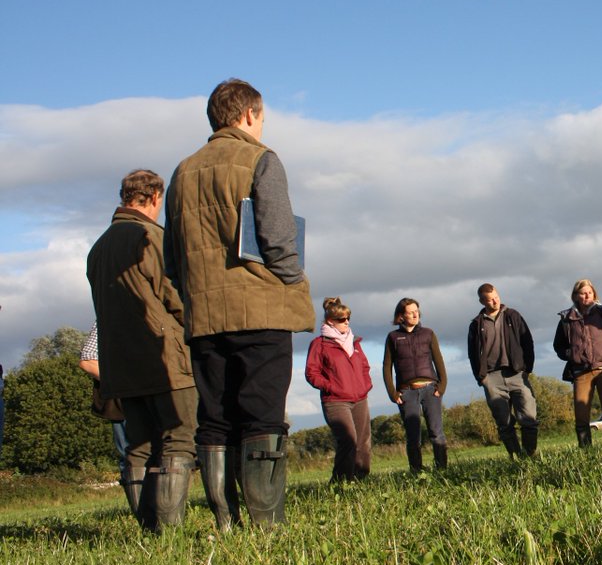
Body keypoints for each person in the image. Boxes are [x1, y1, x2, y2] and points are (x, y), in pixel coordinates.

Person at [164, 78, 314, 529]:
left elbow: (172, 258)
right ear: (249, 114)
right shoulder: (261, 159)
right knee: (262, 416)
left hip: (205, 316)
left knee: (215, 419)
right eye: (262, 117)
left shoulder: (182, 172)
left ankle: (226, 522)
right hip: (260, 309)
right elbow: (278, 239)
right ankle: (267, 524)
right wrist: (295, 280)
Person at [86, 169, 198, 530]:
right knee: (178, 438)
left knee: (140, 445)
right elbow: (174, 296)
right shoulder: (150, 236)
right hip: (163, 355)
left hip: (120, 362)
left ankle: (148, 527)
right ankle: (168, 529)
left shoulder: (98, 248)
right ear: (154, 198)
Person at [304, 297, 373, 481]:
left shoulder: (355, 342)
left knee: (363, 442)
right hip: (335, 401)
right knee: (348, 440)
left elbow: (365, 367)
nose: (347, 322)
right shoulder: (319, 344)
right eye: (342, 319)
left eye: (348, 318)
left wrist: (365, 385)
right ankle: (341, 483)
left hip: (360, 398)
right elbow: (311, 373)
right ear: (330, 321)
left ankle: (361, 480)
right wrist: (331, 387)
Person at [553, 279, 602, 447]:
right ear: (575, 296)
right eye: (583, 293)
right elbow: (558, 346)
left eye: (589, 292)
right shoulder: (566, 319)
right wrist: (570, 354)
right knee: (581, 416)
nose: (587, 296)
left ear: (594, 294)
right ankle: (586, 451)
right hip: (580, 371)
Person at [467, 284, 538, 458]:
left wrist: (527, 369)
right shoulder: (476, 324)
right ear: (482, 301)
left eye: (496, 297)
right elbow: (472, 354)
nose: (495, 301)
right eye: (490, 299)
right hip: (492, 378)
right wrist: (481, 377)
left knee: (529, 417)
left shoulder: (513, 315)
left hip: (517, 373)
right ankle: (515, 458)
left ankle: (529, 456)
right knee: (504, 423)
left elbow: (527, 342)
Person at [383, 297, 449, 471]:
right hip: (407, 392)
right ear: (401, 316)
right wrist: (392, 393)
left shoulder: (428, 333)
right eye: (410, 312)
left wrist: (442, 386)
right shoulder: (393, 337)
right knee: (413, 437)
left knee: (436, 433)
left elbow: (439, 360)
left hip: (431, 389)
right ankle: (416, 472)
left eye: (417, 311)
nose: (415, 315)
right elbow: (386, 366)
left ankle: (442, 470)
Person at [78, 322, 130, 474]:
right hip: (124, 402)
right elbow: (88, 361)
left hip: (158, 396)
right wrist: (126, 384)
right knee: (131, 458)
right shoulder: (109, 316)